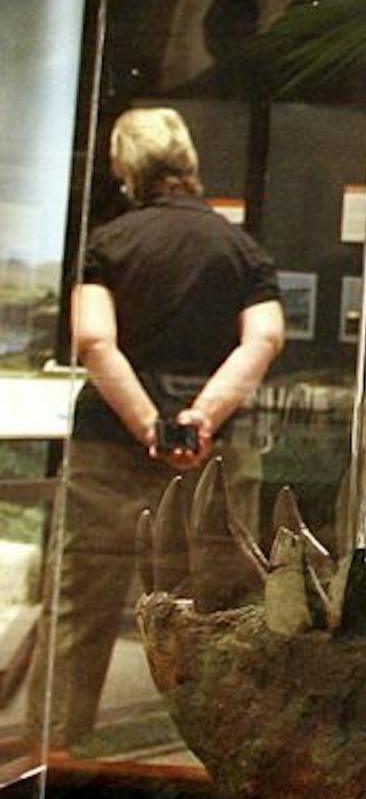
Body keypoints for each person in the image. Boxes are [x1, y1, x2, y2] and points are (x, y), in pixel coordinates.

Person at [48, 106, 284, 752]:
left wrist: (149, 424)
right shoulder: (243, 249)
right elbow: (264, 338)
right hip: (214, 454)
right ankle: (214, 747)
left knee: (86, 599)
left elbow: (95, 340)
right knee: (219, 603)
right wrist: (199, 419)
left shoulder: (107, 245)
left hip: (110, 444)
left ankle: (63, 742)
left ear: (126, 169)